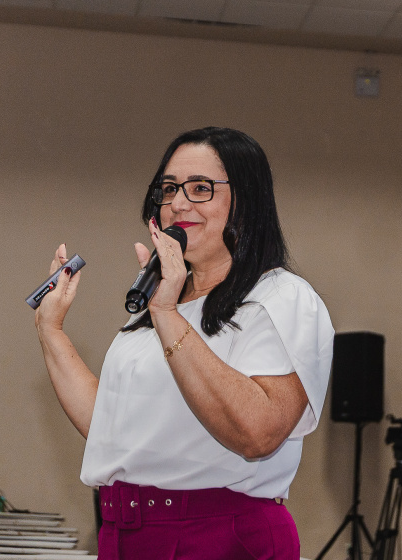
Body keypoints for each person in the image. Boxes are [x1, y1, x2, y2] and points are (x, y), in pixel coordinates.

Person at [34, 127, 334, 559]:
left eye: (200, 189)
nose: (177, 204)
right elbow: (112, 430)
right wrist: (52, 331)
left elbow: (258, 433)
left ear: (245, 201)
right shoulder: (155, 306)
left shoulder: (280, 297)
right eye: (169, 188)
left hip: (218, 537)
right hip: (125, 534)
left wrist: (167, 314)